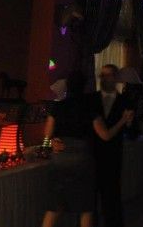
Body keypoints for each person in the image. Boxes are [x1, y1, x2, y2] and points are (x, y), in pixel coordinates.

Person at [42, 73, 100, 227]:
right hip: (82, 159)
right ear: (85, 87)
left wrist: (52, 141)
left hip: (60, 159)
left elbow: (47, 132)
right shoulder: (89, 107)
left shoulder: (58, 106)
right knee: (85, 207)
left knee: (54, 206)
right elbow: (103, 134)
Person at [88, 64, 132, 227]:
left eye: (108, 75)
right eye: (102, 75)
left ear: (115, 78)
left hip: (113, 153)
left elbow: (132, 130)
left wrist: (129, 122)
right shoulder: (91, 99)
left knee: (112, 194)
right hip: (92, 153)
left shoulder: (124, 100)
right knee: (90, 195)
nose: (104, 79)